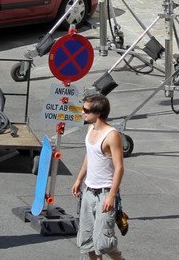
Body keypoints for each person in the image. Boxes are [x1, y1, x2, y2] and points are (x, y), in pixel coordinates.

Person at [71, 94, 126, 260]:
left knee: (103, 242)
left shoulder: (112, 135)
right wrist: (79, 179)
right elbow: (89, 156)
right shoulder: (90, 129)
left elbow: (119, 168)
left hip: (105, 193)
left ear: (98, 113)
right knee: (87, 241)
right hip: (89, 191)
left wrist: (111, 196)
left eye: (86, 110)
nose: (82, 112)